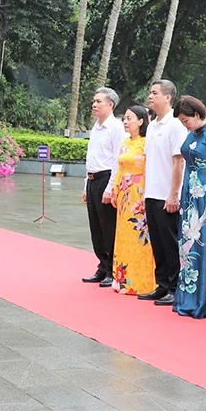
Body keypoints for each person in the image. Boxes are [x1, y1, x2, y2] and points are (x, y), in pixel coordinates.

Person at [173, 95, 206, 319]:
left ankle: (203, 300)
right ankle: (186, 296)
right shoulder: (191, 134)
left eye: (186, 119)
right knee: (186, 246)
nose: (184, 124)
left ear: (197, 114)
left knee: (204, 243)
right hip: (190, 194)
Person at [139, 80, 189, 305]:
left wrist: (174, 194)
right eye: (150, 92)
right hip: (151, 192)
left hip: (167, 194)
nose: (150, 96)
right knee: (157, 241)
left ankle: (174, 285)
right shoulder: (152, 126)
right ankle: (161, 284)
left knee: (169, 242)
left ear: (168, 97)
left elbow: (178, 162)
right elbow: (149, 160)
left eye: (155, 93)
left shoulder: (175, 125)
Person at [106, 105, 155, 296]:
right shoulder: (125, 143)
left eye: (129, 118)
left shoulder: (146, 142)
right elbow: (119, 169)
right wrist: (114, 191)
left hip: (139, 193)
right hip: (125, 195)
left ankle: (142, 280)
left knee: (140, 237)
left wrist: (146, 193)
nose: (125, 122)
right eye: (124, 119)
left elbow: (150, 169)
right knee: (124, 235)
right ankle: (122, 279)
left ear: (141, 121)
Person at [81, 88, 125, 286]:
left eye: (99, 101)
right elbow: (91, 158)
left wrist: (110, 188)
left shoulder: (116, 128)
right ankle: (102, 265)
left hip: (106, 178)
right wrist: (85, 185)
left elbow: (117, 160)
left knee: (108, 227)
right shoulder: (96, 127)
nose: (94, 104)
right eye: (94, 101)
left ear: (110, 105)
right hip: (92, 180)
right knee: (95, 227)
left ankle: (112, 270)